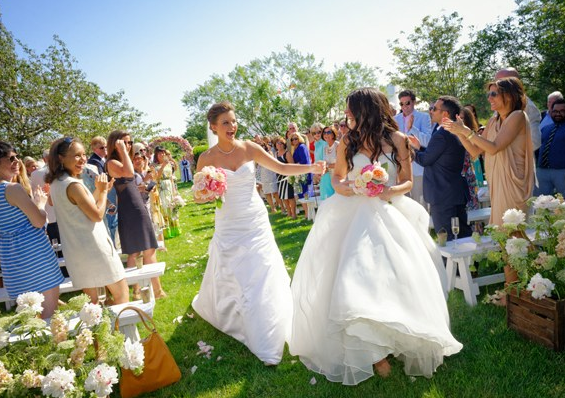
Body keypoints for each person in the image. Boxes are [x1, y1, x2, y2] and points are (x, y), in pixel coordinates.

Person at [288, 88, 462, 385]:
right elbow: (337, 178)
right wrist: (353, 188)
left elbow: (406, 182)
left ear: (365, 110)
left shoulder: (397, 140)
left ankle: (396, 334)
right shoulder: (347, 141)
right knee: (353, 274)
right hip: (352, 212)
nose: (347, 116)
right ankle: (372, 350)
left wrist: (385, 190)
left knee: (395, 276)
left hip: (388, 210)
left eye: (351, 111)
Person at [191, 101, 325, 366]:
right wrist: (208, 191)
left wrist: (311, 168)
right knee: (234, 270)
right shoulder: (206, 159)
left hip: (254, 219)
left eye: (234, 121)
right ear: (214, 127)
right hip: (227, 221)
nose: (232, 126)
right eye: (226, 123)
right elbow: (198, 196)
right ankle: (234, 314)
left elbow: (282, 168)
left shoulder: (249, 148)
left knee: (260, 270)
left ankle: (265, 326)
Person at [46, 137, 129, 305]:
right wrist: (104, 191)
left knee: (94, 306)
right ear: (61, 158)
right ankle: (124, 330)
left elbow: (82, 206)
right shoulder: (73, 185)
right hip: (95, 248)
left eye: (84, 154)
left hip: (77, 252)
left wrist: (99, 191)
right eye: (77, 155)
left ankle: (105, 331)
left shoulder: (56, 183)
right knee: (121, 295)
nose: (83, 159)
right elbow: (97, 215)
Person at [443, 77, 534, 225]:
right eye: (488, 94)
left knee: (513, 230)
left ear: (509, 96)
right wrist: (458, 132)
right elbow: (475, 151)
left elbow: (494, 147)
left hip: (513, 182)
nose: (489, 98)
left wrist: (466, 131)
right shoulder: (492, 121)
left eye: (494, 94)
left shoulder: (518, 116)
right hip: (497, 181)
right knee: (500, 230)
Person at [0, 141, 64, 318]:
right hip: (36, 259)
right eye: (11, 158)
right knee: (49, 319)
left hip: (12, 263)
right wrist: (40, 204)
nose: (17, 161)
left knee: (33, 323)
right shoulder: (12, 189)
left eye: (17, 156)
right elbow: (38, 221)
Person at [106, 130, 165, 299]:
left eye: (130, 142)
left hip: (136, 204)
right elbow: (129, 173)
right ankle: (150, 290)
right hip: (130, 208)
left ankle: (143, 290)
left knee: (145, 248)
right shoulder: (112, 162)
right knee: (136, 250)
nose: (128, 145)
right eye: (124, 142)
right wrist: (124, 152)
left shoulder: (124, 159)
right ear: (115, 144)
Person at [393, 89, 432, 205]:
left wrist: (412, 129)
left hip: (418, 168)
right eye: (401, 103)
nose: (404, 106)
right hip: (400, 168)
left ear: (414, 102)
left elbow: (427, 141)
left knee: (420, 205)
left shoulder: (423, 117)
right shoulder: (395, 120)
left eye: (407, 103)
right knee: (403, 205)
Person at [534, 98, 565, 196]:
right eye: (555, 111)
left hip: (561, 172)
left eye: (562, 111)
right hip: (542, 171)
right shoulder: (546, 129)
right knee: (540, 203)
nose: (558, 114)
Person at [290, 132, 312, 217]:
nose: (294, 140)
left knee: (305, 194)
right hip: (298, 174)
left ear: (299, 138)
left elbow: (305, 161)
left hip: (304, 174)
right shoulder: (295, 148)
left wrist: (295, 166)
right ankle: (307, 213)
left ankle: (309, 213)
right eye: (292, 139)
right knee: (300, 194)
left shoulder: (302, 147)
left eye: (296, 138)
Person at [274, 137, 296, 218]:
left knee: (290, 197)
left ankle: (294, 214)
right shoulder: (275, 154)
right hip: (279, 178)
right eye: (277, 143)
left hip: (287, 178)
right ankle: (289, 213)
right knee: (283, 197)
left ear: (284, 145)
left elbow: (292, 165)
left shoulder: (287, 153)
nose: (279, 145)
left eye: (281, 143)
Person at [320, 126, 338, 200]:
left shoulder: (338, 145)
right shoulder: (325, 148)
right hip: (329, 178)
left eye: (329, 132)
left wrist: (327, 166)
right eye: (324, 132)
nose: (326, 134)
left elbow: (341, 164)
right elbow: (326, 164)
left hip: (339, 177)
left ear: (333, 134)